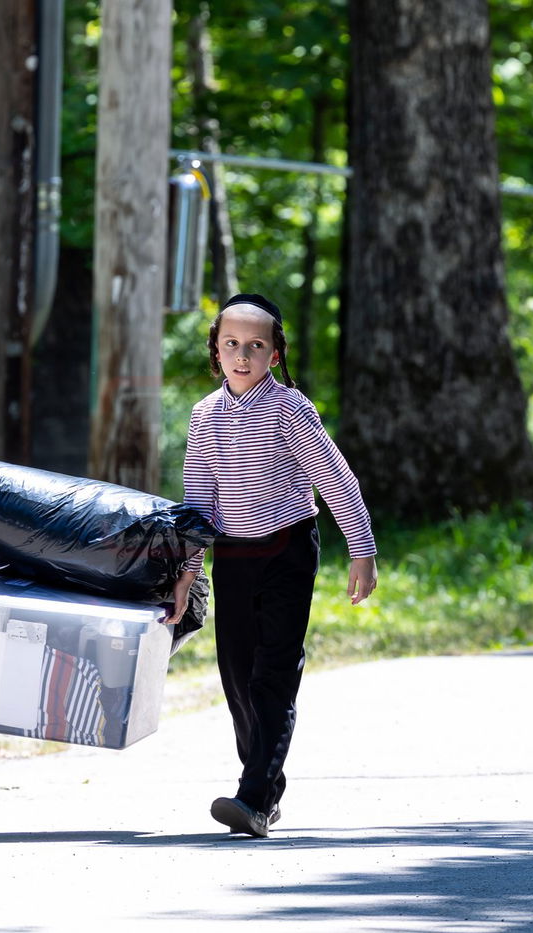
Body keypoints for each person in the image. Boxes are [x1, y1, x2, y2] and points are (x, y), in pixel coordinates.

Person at [169, 292, 377, 838]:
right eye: (231, 344)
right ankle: (263, 782)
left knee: (273, 675)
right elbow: (199, 498)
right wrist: (188, 570)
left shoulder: (291, 409)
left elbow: (333, 477)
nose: (242, 355)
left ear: (275, 355)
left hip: (287, 550)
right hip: (234, 558)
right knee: (236, 676)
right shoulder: (204, 416)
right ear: (216, 352)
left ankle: (254, 795)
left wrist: (362, 550)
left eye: (255, 346)